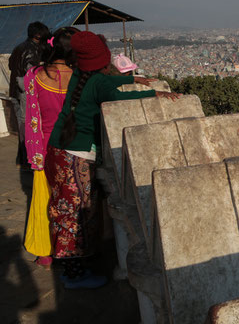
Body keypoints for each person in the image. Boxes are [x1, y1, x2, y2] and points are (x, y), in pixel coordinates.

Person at [45, 31, 178, 289]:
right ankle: (75, 274)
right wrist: (153, 94)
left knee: (63, 210)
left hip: (59, 148)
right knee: (77, 214)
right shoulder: (99, 84)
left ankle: (70, 267)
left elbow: (106, 85)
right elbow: (118, 97)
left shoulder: (80, 77)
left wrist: (133, 78)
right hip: (78, 155)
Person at [23, 27, 79, 269]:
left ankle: (45, 252)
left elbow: (31, 118)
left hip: (44, 147)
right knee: (73, 201)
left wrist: (34, 155)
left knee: (44, 199)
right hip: (75, 146)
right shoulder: (81, 77)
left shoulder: (34, 76)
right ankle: (72, 250)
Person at [9, 22, 51, 166]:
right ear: (38, 35)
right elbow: (31, 73)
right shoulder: (32, 51)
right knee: (28, 125)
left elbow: (10, 65)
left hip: (15, 91)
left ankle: (23, 157)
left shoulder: (18, 48)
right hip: (25, 93)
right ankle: (28, 156)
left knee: (22, 124)